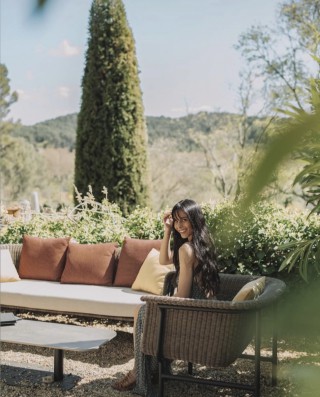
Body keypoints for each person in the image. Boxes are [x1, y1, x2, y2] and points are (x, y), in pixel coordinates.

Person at [112, 199, 220, 395]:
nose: (180, 225)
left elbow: (183, 296)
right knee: (144, 312)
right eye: (176, 220)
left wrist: (159, 303)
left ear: (194, 220)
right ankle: (146, 369)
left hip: (191, 315)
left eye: (184, 220)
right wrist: (167, 230)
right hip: (204, 311)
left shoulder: (187, 250)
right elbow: (163, 260)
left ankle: (139, 372)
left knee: (142, 311)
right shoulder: (202, 244)